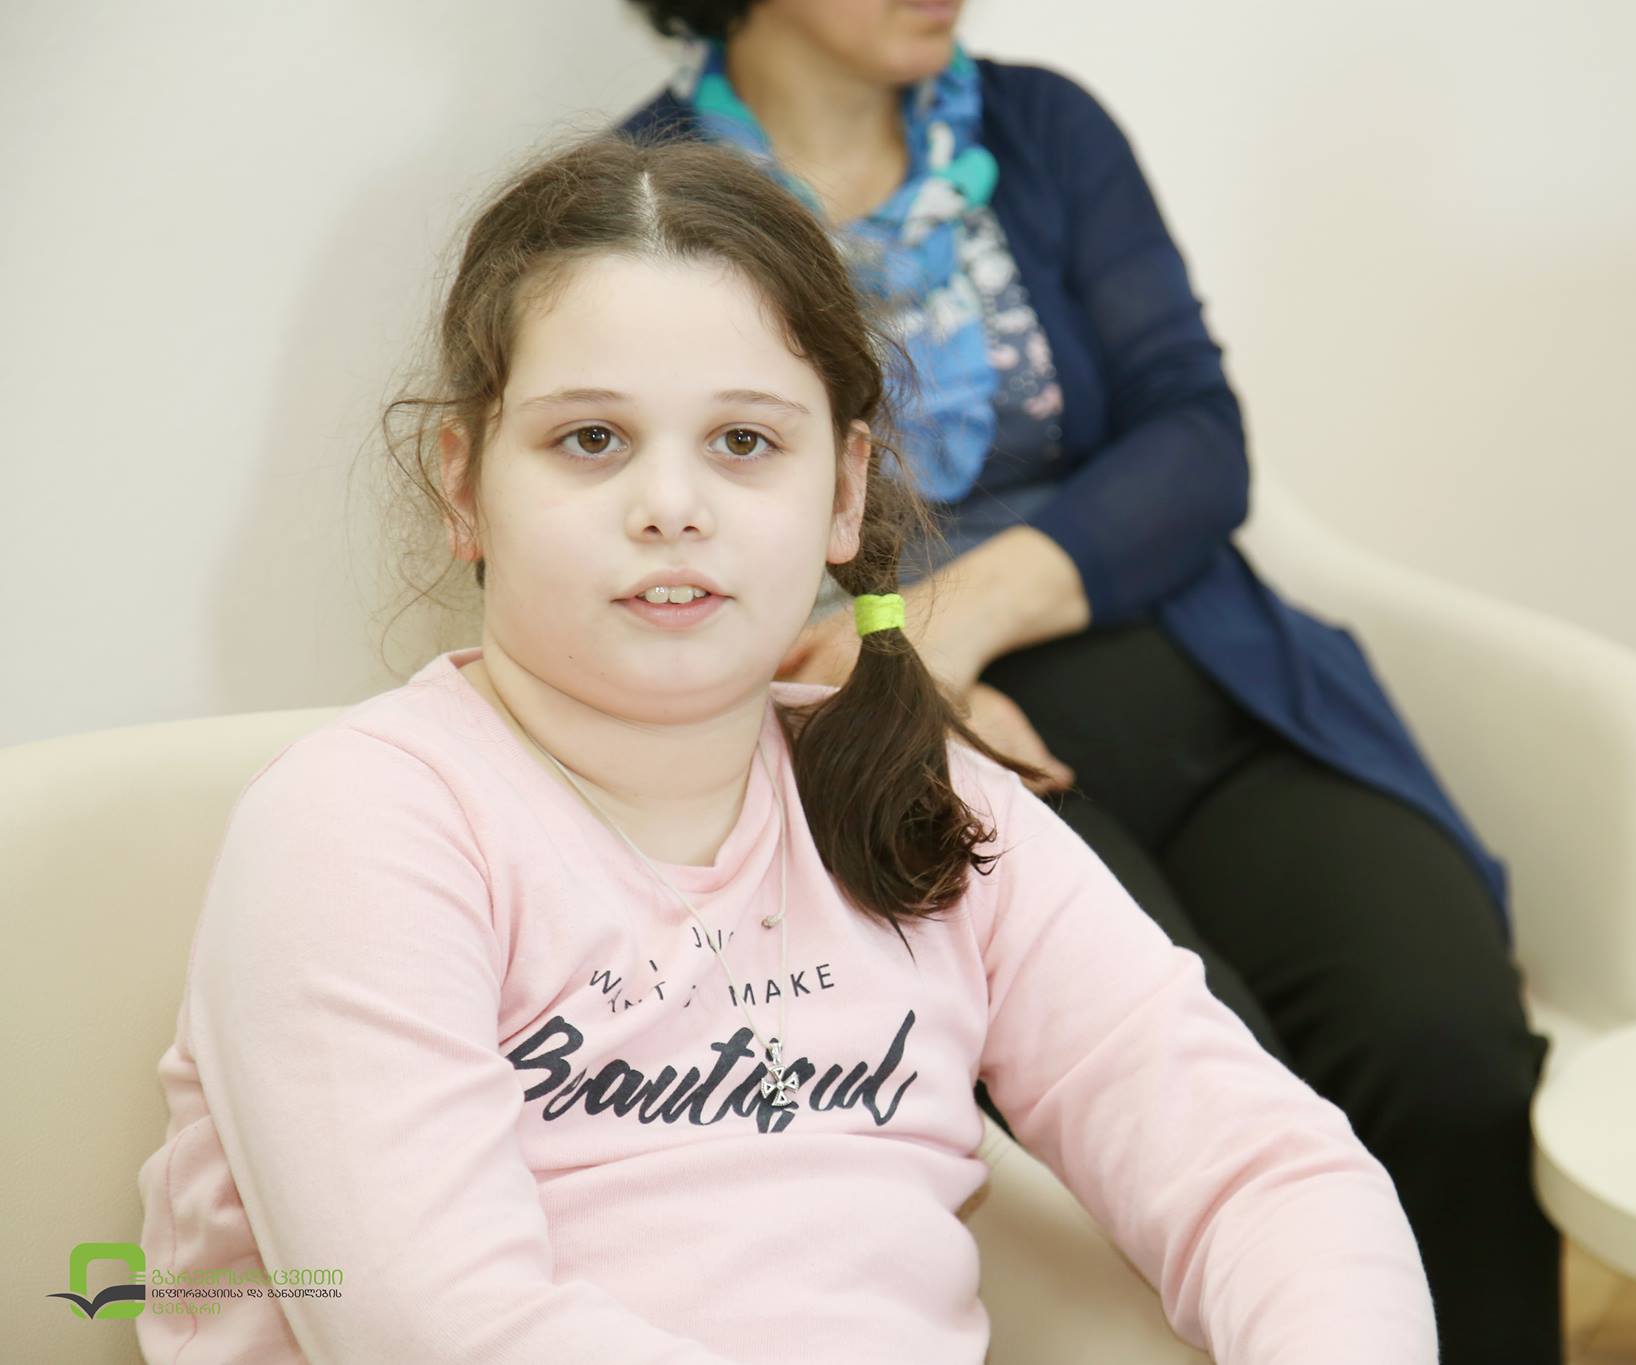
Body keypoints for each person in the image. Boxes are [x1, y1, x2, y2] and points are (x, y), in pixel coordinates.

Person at [132, 133, 1437, 1362]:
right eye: (591, 439)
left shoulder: (926, 797)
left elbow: (1266, 1173)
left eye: (744, 442)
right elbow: (446, 1330)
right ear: (465, 485)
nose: (671, 506)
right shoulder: (361, 830)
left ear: (845, 491)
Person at [615, 4, 1563, 1362]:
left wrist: (955, 618)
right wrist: (898, 677)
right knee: (1212, 1111)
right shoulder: (648, 205)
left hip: (1207, 681)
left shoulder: (1041, 130)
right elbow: (653, 544)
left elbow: (1198, 440)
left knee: (1452, 1055)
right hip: (941, 754)